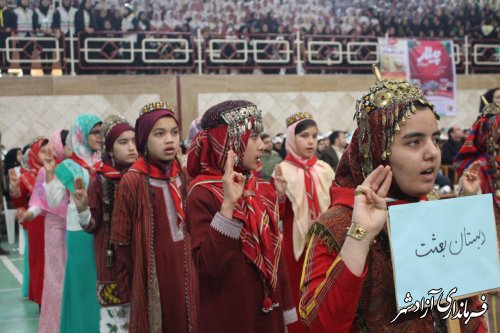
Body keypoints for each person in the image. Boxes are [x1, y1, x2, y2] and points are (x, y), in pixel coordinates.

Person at [299, 71, 486, 332]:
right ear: (377, 151)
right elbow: (320, 325)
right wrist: (360, 238)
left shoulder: (430, 207)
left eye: (435, 139)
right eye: (414, 142)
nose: (432, 152)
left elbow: (468, 304)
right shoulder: (337, 226)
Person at [186, 100, 297, 332]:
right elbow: (209, 266)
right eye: (253, 137)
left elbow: (277, 258)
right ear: (228, 141)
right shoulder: (202, 192)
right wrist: (228, 206)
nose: (262, 147)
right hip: (228, 313)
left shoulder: (262, 188)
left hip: (269, 313)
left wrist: (286, 308)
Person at [111, 102, 195, 332]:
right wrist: (140, 276)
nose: (169, 139)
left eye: (174, 133)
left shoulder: (183, 175)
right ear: (144, 139)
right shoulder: (133, 180)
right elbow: (120, 240)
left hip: (187, 270)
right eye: (159, 134)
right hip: (153, 276)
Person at [274, 112, 334, 333]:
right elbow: (277, 216)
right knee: (298, 295)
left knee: (325, 292)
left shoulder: (325, 169)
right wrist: (279, 196)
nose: (311, 141)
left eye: (314, 136)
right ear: (291, 138)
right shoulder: (282, 171)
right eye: (304, 136)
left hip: (325, 244)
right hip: (297, 247)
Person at [80, 115, 137, 332]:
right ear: (110, 149)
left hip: (139, 259)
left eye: (133, 141)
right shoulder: (100, 179)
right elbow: (92, 226)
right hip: (111, 262)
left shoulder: (142, 176)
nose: (131, 147)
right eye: (123, 142)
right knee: (116, 321)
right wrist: (82, 209)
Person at [44, 114, 102, 333]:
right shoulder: (68, 166)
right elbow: (53, 200)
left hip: (102, 230)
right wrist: (50, 174)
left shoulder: (105, 161)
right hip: (78, 234)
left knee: (101, 285)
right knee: (82, 287)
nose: (99, 136)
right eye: (94, 132)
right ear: (81, 135)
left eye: (100, 132)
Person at [25, 129, 70, 333]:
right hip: (54, 230)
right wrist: (29, 215)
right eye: (64, 143)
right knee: (55, 278)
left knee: (71, 277)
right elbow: (40, 200)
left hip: (74, 229)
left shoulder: (73, 167)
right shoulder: (46, 171)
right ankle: (55, 326)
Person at [9, 137, 47, 306]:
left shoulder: (59, 171)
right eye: (42, 151)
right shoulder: (27, 176)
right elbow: (18, 203)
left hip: (60, 224)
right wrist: (15, 190)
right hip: (37, 224)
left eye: (49, 150)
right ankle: (42, 301)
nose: (47, 154)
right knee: (40, 262)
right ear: (34, 155)